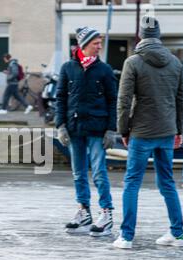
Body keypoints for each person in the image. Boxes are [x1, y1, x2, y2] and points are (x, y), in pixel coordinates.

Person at [114, 16, 183, 249]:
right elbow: (180, 100)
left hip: (141, 132)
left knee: (132, 182)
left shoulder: (133, 62)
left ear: (140, 36)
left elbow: (124, 100)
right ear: (159, 35)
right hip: (166, 131)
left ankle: (126, 236)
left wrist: (123, 129)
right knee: (167, 182)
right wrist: (179, 129)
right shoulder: (175, 63)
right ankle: (177, 232)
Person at [55, 27, 117, 237]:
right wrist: (60, 125)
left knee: (99, 172)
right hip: (74, 129)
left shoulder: (105, 70)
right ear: (84, 45)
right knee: (78, 173)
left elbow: (112, 100)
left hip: (98, 130)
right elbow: (61, 98)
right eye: (96, 43)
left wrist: (111, 129)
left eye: (100, 43)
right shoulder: (68, 68)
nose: (100, 46)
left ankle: (106, 213)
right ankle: (84, 211)